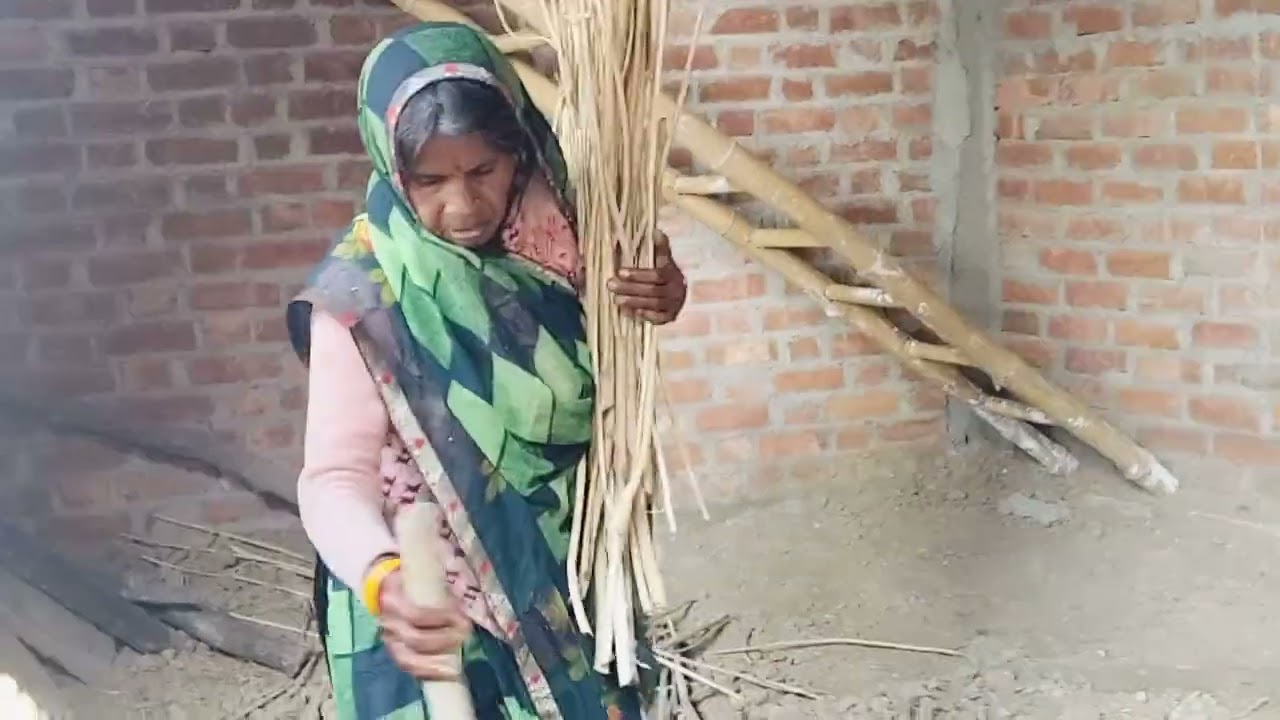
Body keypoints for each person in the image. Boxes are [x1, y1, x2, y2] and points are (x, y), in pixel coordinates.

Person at [286, 21, 688, 720]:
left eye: (483, 172)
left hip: (567, 577)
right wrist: (388, 583)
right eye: (430, 181)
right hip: (434, 608)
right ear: (389, 165)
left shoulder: (569, 233)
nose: (463, 206)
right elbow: (331, 481)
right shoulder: (360, 297)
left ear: (518, 149)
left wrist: (664, 291)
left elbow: (618, 336)